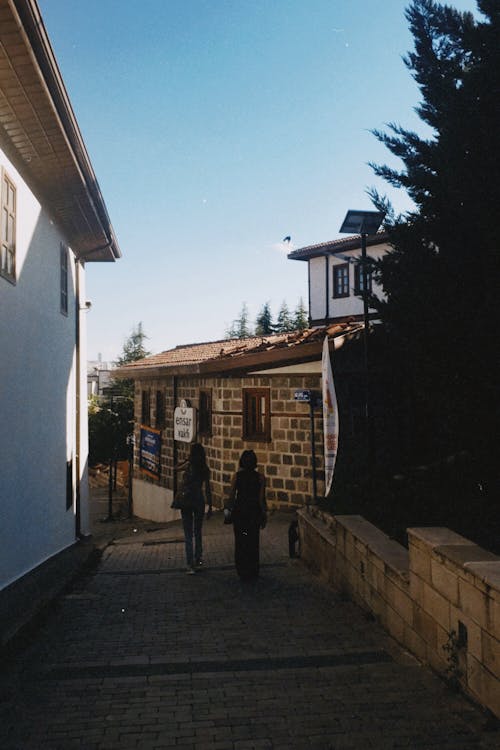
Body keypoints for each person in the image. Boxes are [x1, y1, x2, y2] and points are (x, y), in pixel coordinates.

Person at [226, 450, 267, 581]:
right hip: (253, 512)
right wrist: (264, 513)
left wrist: (228, 509)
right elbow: (261, 499)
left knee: (241, 541)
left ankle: (242, 569)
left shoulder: (237, 476)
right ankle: (253, 569)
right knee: (253, 541)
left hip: (240, 513)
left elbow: (232, 496)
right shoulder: (260, 478)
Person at [177, 442, 212, 574]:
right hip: (198, 500)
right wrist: (210, 506)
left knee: (188, 533)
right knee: (197, 531)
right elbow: (207, 489)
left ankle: (190, 564)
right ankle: (198, 559)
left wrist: (186, 459)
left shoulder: (188, 466)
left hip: (186, 500)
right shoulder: (204, 469)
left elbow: (175, 468)